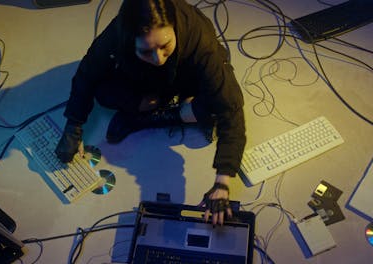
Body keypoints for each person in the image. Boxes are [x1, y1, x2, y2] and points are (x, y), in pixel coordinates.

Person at [55, 0, 246, 225]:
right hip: (143, 80)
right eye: (147, 50)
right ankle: (150, 112)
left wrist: (222, 182)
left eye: (165, 45)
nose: (158, 58)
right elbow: (87, 73)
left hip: (185, 76)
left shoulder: (200, 41)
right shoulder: (118, 33)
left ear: (174, 27)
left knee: (217, 103)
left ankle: (157, 117)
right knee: (103, 92)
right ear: (129, 39)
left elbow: (231, 110)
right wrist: (73, 126)